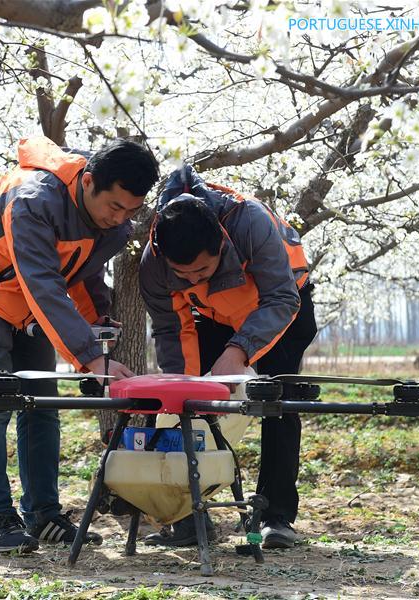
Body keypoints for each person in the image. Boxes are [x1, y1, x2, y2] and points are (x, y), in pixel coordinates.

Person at [0, 136, 160, 553]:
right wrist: (91, 358)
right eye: (115, 206)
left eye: (131, 210)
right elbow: (43, 283)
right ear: (90, 182)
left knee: (41, 403)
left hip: (28, 301)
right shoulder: (32, 201)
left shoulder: (111, 225)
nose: (120, 218)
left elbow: (79, 273)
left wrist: (96, 322)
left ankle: (43, 514)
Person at [138, 165, 316, 549]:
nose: (191, 280)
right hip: (215, 315)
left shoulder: (248, 222)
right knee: (187, 405)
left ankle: (275, 515)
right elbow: (171, 330)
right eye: (181, 274)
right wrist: (185, 389)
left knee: (277, 403)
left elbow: (282, 298)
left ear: (221, 242)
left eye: (202, 269)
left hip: (283, 305)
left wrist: (239, 351)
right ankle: (185, 516)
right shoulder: (153, 263)